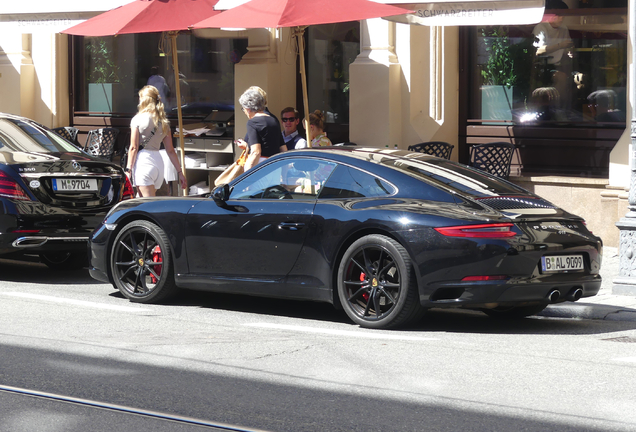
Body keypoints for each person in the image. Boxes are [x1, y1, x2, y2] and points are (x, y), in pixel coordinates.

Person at [126, 85, 187, 197]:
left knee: (146, 206)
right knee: (146, 203)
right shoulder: (163, 122)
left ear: (143, 100)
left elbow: (133, 147)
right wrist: (180, 173)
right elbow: (171, 151)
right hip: (159, 163)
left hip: (144, 162)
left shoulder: (137, 119)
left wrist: (128, 169)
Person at [532, 0, 573, 111]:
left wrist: (569, 51)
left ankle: (567, 109)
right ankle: (558, 109)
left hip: (560, 64)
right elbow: (538, 51)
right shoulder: (541, 28)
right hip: (543, 66)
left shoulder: (564, 28)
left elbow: (567, 47)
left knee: (579, 78)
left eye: (563, 15)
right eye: (559, 15)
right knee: (562, 78)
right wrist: (560, 45)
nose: (562, 18)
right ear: (551, 15)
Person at [236, 87, 288, 171]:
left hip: (259, 167)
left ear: (248, 109)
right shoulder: (273, 120)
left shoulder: (252, 122)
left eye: (243, 109)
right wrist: (284, 174)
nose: (244, 112)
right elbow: (283, 148)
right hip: (275, 166)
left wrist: (247, 176)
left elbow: (256, 152)